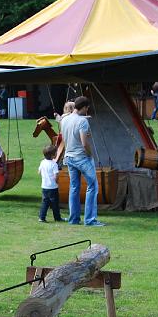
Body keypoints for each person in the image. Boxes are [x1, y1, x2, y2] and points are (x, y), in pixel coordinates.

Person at [62, 96, 104, 227]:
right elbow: (84, 143)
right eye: (87, 108)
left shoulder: (64, 120)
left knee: (74, 188)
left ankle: (73, 219)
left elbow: (67, 137)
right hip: (82, 157)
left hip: (69, 157)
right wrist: (90, 155)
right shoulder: (83, 121)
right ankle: (90, 220)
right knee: (92, 186)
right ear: (85, 107)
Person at [38, 143, 62, 223]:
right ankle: (57, 218)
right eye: (55, 153)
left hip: (44, 187)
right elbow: (56, 176)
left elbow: (39, 172)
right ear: (52, 155)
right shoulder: (54, 164)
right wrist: (57, 181)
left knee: (45, 202)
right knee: (55, 204)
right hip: (53, 187)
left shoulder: (42, 162)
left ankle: (41, 217)